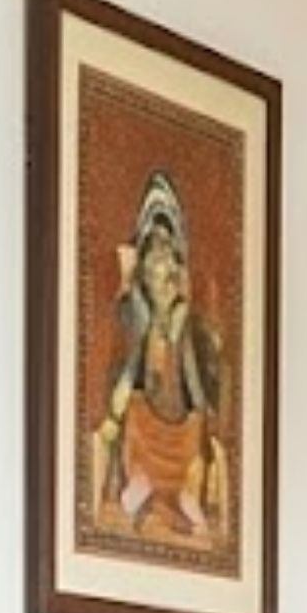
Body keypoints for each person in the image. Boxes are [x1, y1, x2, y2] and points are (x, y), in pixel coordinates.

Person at [90, 171, 230, 546]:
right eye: (153, 256)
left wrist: (206, 415)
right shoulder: (132, 313)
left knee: (194, 437)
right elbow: (126, 374)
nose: (160, 267)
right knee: (134, 412)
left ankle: (186, 496)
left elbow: (199, 383)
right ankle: (142, 483)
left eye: (167, 257)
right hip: (146, 424)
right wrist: (113, 415)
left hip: (182, 428)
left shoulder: (190, 322)